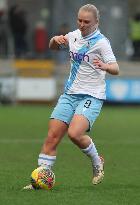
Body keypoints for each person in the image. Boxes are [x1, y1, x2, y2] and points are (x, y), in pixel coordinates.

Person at [24, 4, 119, 189]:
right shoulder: (74, 35)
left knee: (75, 133)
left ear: (96, 22)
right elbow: (53, 46)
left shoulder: (101, 42)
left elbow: (116, 68)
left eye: (87, 22)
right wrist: (54, 39)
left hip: (92, 95)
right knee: (52, 136)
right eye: (80, 20)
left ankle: (97, 161)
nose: (82, 25)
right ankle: (40, 181)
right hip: (70, 94)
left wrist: (106, 66)